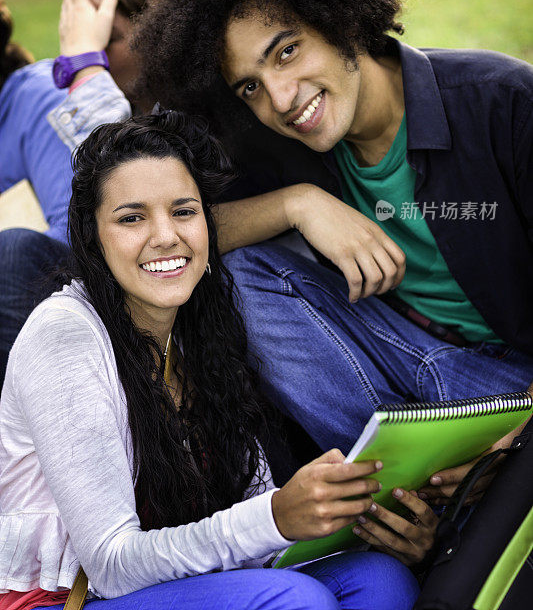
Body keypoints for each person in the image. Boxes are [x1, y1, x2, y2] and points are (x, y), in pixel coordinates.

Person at [128, 0, 533, 504]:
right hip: (410, 370)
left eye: (286, 52)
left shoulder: (501, 104)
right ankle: (405, 495)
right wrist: (299, 203)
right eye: (250, 87)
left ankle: (430, 497)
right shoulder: (286, 145)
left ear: (337, 17)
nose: (282, 99)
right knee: (236, 273)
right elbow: (169, 233)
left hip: (519, 386)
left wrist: (522, 435)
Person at [0, 112, 423, 610]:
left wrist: (359, 517)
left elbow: (250, 524)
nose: (165, 236)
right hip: (62, 599)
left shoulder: (200, 330)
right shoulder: (65, 334)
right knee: (294, 599)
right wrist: (276, 517)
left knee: (380, 577)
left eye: (184, 211)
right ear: (92, 237)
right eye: (131, 218)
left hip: (172, 587)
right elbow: (112, 567)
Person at [0, 0, 174, 378]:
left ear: (167, 27)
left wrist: (85, 67)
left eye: (105, 41)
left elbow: (134, 188)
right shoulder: (128, 106)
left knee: (16, 252)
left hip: (149, 282)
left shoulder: (199, 116)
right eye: (79, 44)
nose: (86, 61)